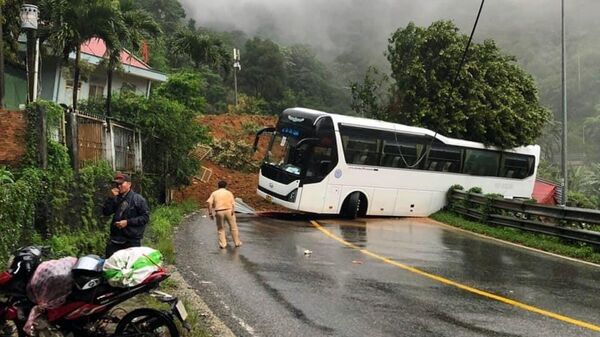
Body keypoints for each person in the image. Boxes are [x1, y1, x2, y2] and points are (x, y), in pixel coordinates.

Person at [103, 173, 150, 257]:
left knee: (130, 266)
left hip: (131, 240)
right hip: (115, 238)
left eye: (121, 184)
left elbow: (145, 218)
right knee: (110, 263)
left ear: (129, 184)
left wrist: (127, 222)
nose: (118, 186)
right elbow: (106, 212)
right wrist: (110, 198)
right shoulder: (115, 198)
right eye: (117, 184)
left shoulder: (138, 199)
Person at [206, 180, 242, 248]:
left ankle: (223, 244)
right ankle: (237, 242)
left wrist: (210, 213)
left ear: (218, 186)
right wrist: (233, 211)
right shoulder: (229, 193)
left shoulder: (214, 193)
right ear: (226, 186)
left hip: (219, 212)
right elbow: (233, 203)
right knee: (233, 228)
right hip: (229, 211)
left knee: (221, 228)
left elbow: (209, 203)